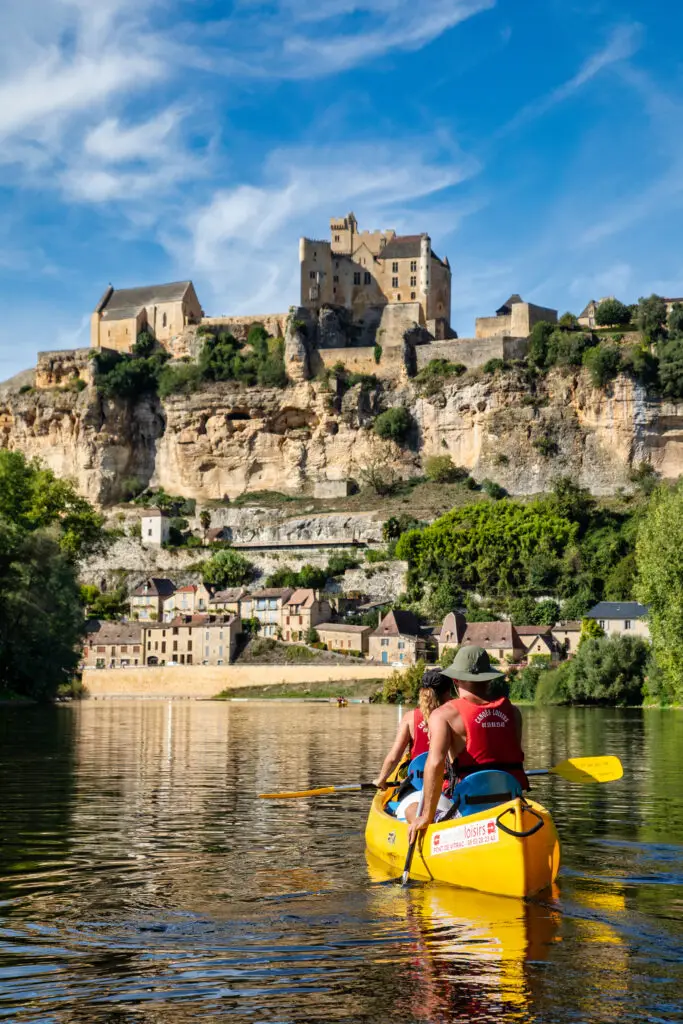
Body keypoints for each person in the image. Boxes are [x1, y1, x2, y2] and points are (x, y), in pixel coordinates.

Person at [408, 645, 528, 842]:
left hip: (466, 809)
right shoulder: (514, 713)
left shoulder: (444, 715)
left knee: (411, 805)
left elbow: (435, 764)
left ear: (455, 680)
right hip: (509, 806)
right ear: (489, 679)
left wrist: (425, 816)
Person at [373, 668, 453, 821]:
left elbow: (393, 757)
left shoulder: (410, 718)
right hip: (446, 785)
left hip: (417, 785)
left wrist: (381, 780)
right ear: (447, 692)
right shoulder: (454, 715)